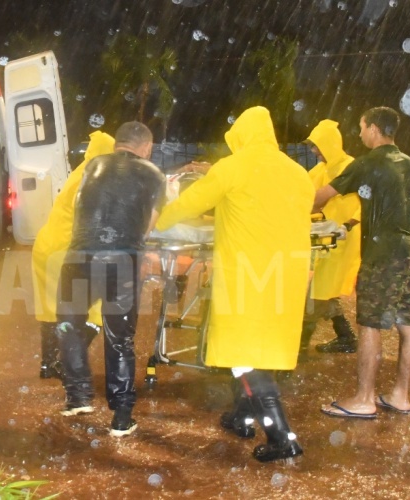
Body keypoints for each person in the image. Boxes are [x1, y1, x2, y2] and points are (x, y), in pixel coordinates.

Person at [155, 106, 314, 462]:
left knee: (245, 357)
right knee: (263, 348)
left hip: (248, 276)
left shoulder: (234, 167)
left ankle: (282, 438)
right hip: (286, 277)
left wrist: (158, 220)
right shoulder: (298, 173)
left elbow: (189, 203)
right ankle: (241, 417)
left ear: (241, 135)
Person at [315, 106, 410, 419]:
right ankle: (400, 396)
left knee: (369, 324)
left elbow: (322, 196)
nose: (359, 133)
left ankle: (364, 399)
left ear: (374, 129)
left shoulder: (367, 164)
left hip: (382, 255)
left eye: (362, 127)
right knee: (408, 324)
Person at [55, 121, 165, 437]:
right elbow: (147, 227)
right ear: (146, 146)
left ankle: (77, 396)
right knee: (119, 338)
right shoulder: (154, 175)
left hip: (79, 256)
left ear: (118, 143)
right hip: (121, 262)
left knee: (69, 324)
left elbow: (80, 209)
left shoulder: (92, 166)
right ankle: (121, 417)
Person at [31, 131, 115, 380]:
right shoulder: (96, 180)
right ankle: (63, 361)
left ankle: (48, 364)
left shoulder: (82, 172)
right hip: (66, 251)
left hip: (47, 247)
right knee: (97, 309)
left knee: (52, 309)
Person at [300, 120, 362, 358]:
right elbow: (303, 189)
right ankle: (345, 337)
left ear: (330, 144)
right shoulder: (322, 169)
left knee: (318, 291)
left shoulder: (351, 167)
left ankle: (298, 349)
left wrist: (347, 225)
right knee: (327, 287)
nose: (314, 151)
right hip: (329, 238)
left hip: (347, 238)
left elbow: (365, 203)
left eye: (317, 146)